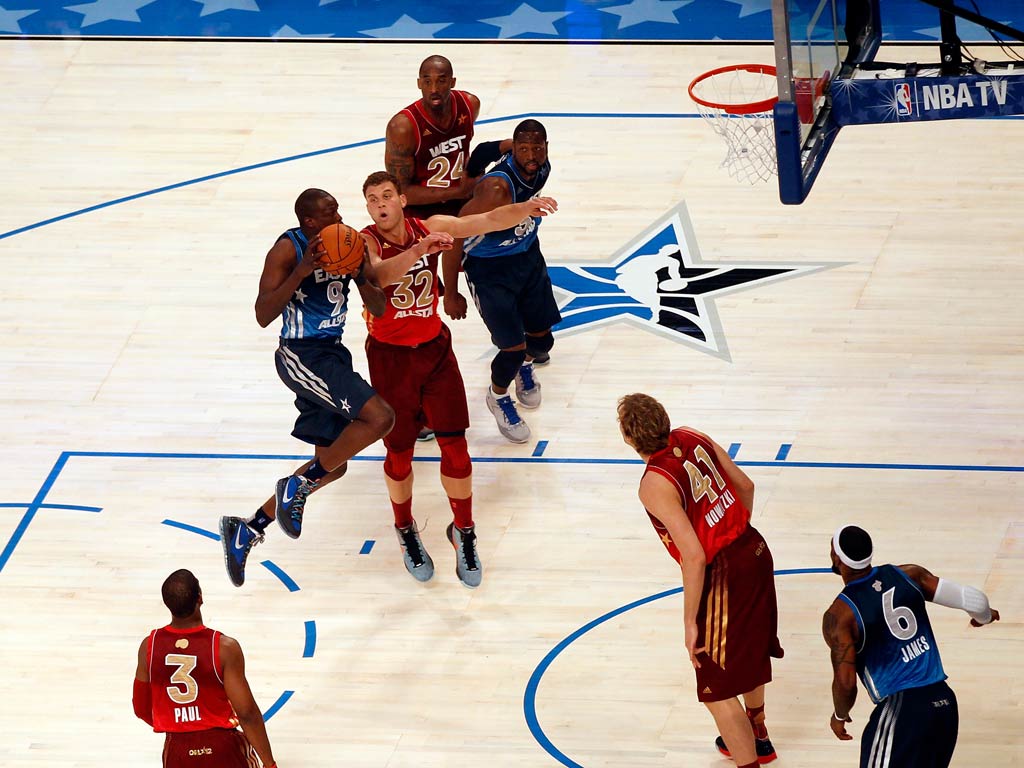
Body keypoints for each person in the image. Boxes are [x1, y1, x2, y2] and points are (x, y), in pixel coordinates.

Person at [360, 170, 558, 588]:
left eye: (386, 195)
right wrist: (419, 251)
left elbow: (483, 222)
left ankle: (463, 530)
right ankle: (405, 528)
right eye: (372, 198)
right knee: (400, 453)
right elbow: (380, 277)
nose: (380, 204)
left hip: (434, 350)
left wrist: (524, 208)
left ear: (400, 200)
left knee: (457, 446)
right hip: (390, 357)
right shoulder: (364, 243)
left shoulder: (428, 226)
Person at [219, 188, 395, 587]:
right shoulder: (287, 248)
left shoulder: (350, 243)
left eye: (338, 209)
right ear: (309, 221)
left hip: (332, 354)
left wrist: (358, 276)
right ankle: (294, 486)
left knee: (332, 465)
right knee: (380, 416)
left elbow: (380, 307)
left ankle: (247, 528)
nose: (339, 216)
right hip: (300, 355)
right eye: (331, 212)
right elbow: (263, 314)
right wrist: (301, 271)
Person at [617, 393, 783, 768]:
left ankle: (749, 761)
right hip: (754, 548)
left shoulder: (653, 483)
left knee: (715, 689)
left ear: (629, 439)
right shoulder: (693, 435)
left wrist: (690, 621)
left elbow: (694, 556)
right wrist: (733, 530)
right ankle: (759, 736)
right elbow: (746, 486)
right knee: (751, 650)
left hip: (723, 571)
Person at [822, 525, 1000, 767]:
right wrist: (984, 617)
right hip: (944, 703)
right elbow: (975, 599)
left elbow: (846, 684)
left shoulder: (840, 615)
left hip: (902, 710)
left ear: (835, 557)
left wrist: (839, 715)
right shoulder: (909, 575)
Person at [442, 119, 562, 443]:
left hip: (527, 256)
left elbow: (482, 151)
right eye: (523, 148)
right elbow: (454, 235)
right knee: (511, 349)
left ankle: (525, 365)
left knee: (541, 343)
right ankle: (497, 398)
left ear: (547, 146)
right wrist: (450, 293)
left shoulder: (541, 165)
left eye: (538, 147)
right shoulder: (496, 190)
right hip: (489, 269)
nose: (531, 154)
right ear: (515, 148)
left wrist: (499, 151)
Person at [133, 569, 277, 767]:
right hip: (222, 746)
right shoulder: (224, 647)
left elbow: (141, 708)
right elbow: (247, 713)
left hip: (178, 749)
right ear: (200, 597)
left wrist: (178, 724)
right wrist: (270, 764)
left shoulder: (148, 646)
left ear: (167, 603)